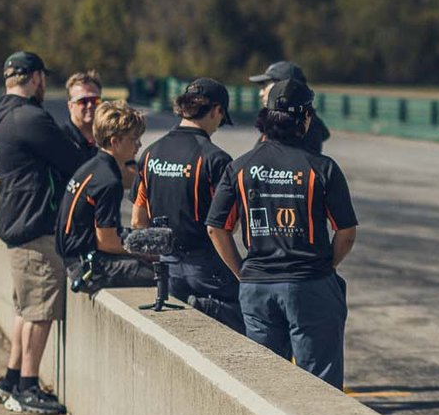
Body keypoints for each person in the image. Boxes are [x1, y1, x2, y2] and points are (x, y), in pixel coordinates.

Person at [207, 78, 358, 385]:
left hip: (257, 287)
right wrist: (326, 266)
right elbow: (346, 232)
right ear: (306, 119)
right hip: (310, 283)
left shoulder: (240, 167)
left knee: (266, 383)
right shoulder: (323, 167)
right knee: (319, 384)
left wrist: (242, 272)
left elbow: (216, 228)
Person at [0, 51, 86, 415]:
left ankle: (10, 378)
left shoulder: (3, 115)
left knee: (25, 308)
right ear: (36, 77)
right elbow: (73, 161)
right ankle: (28, 387)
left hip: (16, 222)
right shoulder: (30, 118)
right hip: (35, 226)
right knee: (40, 310)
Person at [133, 77, 244, 332]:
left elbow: (138, 220)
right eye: (221, 119)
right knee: (245, 316)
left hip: (166, 264)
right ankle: (208, 306)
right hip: (206, 265)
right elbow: (224, 226)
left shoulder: (150, 153)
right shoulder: (216, 159)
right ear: (216, 110)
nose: (218, 127)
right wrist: (241, 273)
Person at [57, 103, 156, 290]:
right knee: (162, 272)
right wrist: (146, 253)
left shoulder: (95, 165)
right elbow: (107, 242)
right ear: (115, 141)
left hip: (73, 257)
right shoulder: (109, 181)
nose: (139, 145)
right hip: (85, 266)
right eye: (134, 139)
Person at [248, 60, 331, 154]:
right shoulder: (283, 123)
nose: (261, 93)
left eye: (265, 86)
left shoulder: (303, 130)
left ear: (285, 88)